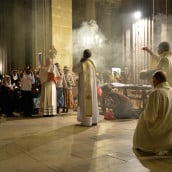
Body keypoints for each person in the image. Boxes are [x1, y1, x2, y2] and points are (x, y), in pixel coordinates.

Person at [133, 71, 172, 155]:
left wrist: (144, 115)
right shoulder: (171, 90)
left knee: (142, 118)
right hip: (169, 128)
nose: (153, 83)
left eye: (153, 81)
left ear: (156, 80)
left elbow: (150, 117)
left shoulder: (156, 93)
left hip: (158, 129)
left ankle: (148, 144)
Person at [73, 49, 100, 126]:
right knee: (93, 102)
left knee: (85, 102)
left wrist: (80, 61)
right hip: (92, 88)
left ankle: (87, 121)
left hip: (85, 88)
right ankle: (94, 120)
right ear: (90, 55)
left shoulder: (82, 64)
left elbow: (74, 69)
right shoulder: (92, 63)